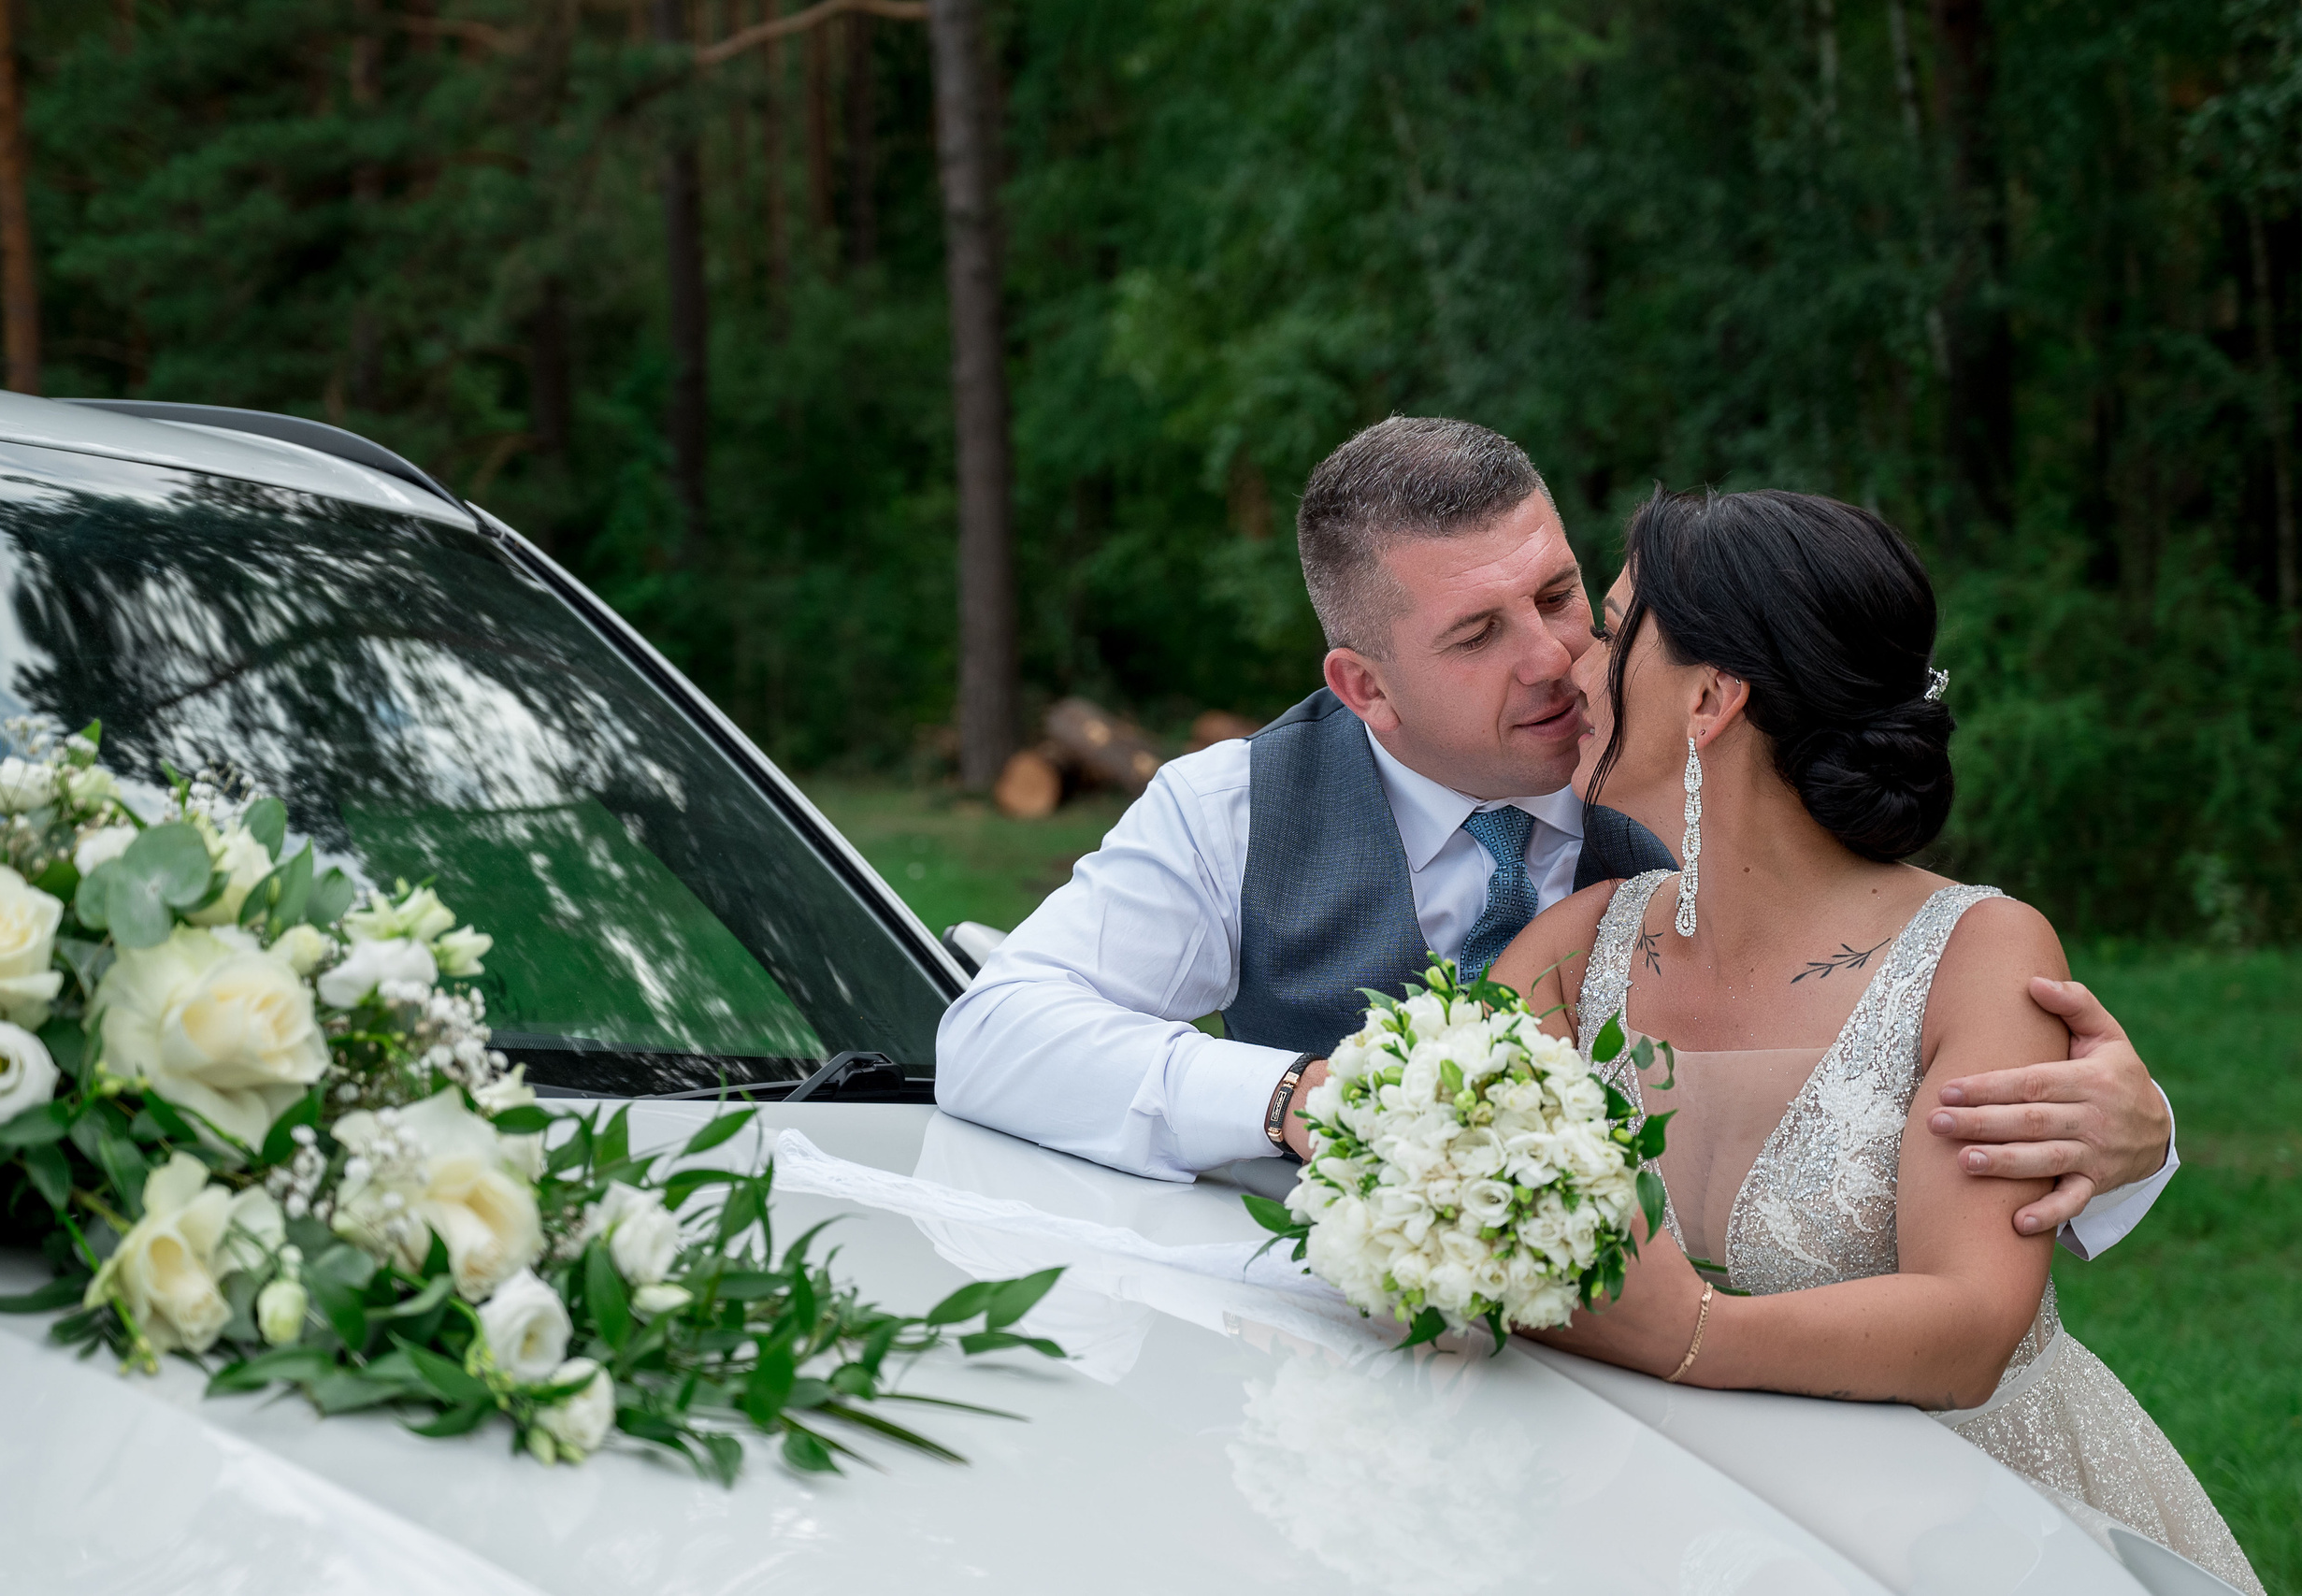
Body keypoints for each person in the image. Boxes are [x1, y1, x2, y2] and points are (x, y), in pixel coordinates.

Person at [935, 416, 2177, 1257]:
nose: (1554, 660)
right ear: (1365, 686)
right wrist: (1290, 1095)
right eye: (1477, 636)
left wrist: (2130, 1145)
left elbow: (1877, 1022)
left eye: (1559, 595)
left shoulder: (1687, 773)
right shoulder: (1239, 804)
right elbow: (993, 1032)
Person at [1489, 487, 2259, 1589]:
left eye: (1611, 627)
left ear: (1709, 697)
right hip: (1654, 1509)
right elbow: (1455, 1168)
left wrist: (1683, 1332)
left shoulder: (1980, 956)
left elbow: (1967, 1326)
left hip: (1970, 1525)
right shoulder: (1574, 945)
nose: (1572, 662)